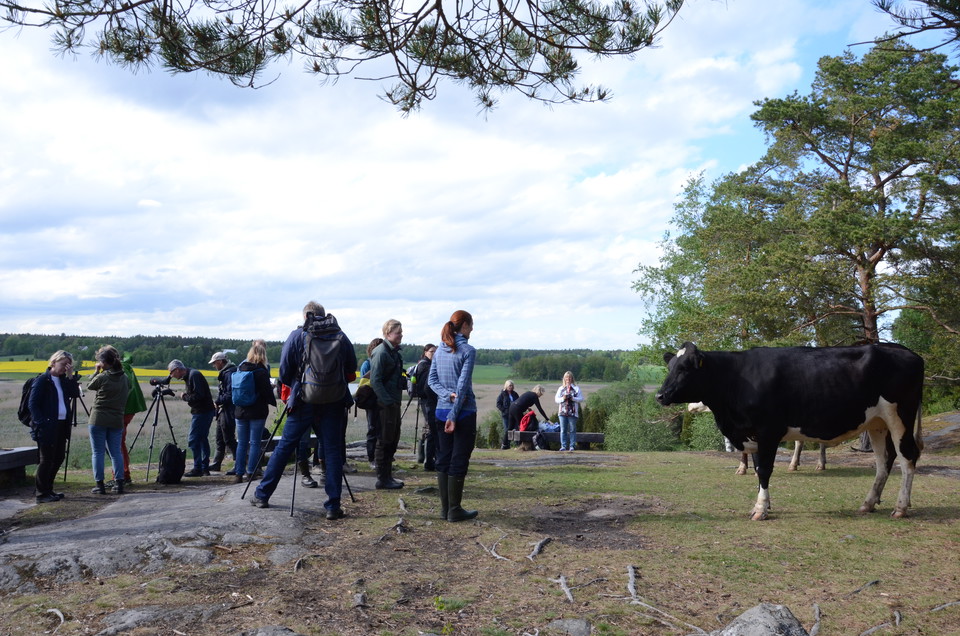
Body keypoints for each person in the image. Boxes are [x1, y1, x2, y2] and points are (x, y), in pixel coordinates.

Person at [252, 301, 357, 521]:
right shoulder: (340, 335)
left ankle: (262, 495)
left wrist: (299, 384)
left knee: (284, 447)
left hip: (302, 401)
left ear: (306, 316)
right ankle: (332, 506)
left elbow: (284, 372)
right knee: (332, 450)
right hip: (334, 401)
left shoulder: (297, 336)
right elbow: (351, 371)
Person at [426, 310, 479, 522]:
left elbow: (432, 382)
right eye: (471, 325)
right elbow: (463, 387)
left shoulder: (439, 350)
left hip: (440, 411)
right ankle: (454, 509)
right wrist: (454, 414)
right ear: (464, 325)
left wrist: (446, 396)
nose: (473, 329)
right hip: (463, 413)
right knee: (458, 459)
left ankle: (445, 509)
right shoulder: (468, 350)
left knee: (444, 458)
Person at [27, 350, 80, 503]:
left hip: (62, 424)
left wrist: (70, 377)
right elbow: (33, 404)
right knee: (47, 459)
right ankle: (41, 493)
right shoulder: (43, 380)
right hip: (47, 425)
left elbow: (75, 394)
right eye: (63, 364)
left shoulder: (64, 380)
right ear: (53, 362)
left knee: (58, 457)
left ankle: (48, 489)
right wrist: (42, 423)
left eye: (69, 365)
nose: (66, 367)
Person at [87, 345, 130, 494]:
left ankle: (100, 485)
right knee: (116, 452)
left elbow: (89, 386)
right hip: (116, 419)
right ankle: (119, 483)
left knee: (98, 452)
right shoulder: (125, 378)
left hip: (98, 418)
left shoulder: (102, 377)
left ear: (104, 363)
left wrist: (96, 371)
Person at [232, 342, 276, 483]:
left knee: (242, 443)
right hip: (257, 412)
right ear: (263, 356)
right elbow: (266, 393)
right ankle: (251, 472)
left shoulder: (240, 369)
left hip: (240, 411)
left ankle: (238, 473)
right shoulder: (261, 371)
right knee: (255, 442)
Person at [370, 319, 406, 489]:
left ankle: (387, 476)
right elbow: (375, 380)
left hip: (393, 402)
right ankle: (382, 479)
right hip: (385, 404)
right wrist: (388, 402)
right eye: (398, 332)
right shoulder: (381, 352)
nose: (401, 335)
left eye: (400, 332)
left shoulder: (393, 353)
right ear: (388, 333)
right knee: (384, 440)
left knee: (392, 439)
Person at [168, 359, 216, 477]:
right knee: (202, 438)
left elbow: (199, 395)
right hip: (205, 410)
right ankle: (204, 468)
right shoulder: (191, 375)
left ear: (177, 370)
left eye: (172, 373)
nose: (171, 376)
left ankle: (198, 468)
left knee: (193, 439)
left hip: (202, 411)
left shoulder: (194, 375)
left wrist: (184, 396)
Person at [119, 353, 146, 485]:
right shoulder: (126, 367)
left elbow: (125, 390)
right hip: (127, 410)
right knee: (119, 442)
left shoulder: (121, 369)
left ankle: (122, 475)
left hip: (122, 411)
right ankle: (122, 474)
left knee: (117, 443)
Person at [209, 351, 238, 472]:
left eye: (215, 363)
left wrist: (217, 401)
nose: (214, 366)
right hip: (224, 409)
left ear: (220, 362)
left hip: (229, 410)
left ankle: (239, 464)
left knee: (229, 439)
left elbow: (229, 394)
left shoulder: (229, 373)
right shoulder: (228, 372)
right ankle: (216, 463)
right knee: (220, 438)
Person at [359, 338, 383, 469]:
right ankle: (371, 458)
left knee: (383, 429)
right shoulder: (367, 365)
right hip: (372, 401)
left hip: (383, 400)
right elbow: (364, 386)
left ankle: (381, 457)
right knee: (373, 429)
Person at [414, 344, 439, 471]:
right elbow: (425, 388)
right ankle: (428, 461)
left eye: (436, 351)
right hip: (427, 401)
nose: (434, 353)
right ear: (425, 352)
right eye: (431, 351)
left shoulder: (423, 364)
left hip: (426, 401)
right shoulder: (425, 365)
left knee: (427, 428)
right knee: (431, 429)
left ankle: (422, 457)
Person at [555, 371, 584, 451]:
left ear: (572, 378)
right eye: (566, 377)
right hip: (562, 412)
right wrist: (563, 398)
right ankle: (563, 446)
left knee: (572, 429)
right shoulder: (561, 388)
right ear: (564, 378)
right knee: (563, 430)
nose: (568, 379)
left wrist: (573, 398)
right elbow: (556, 400)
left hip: (573, 412)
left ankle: (572, 446)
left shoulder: (576, 388)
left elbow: (581, 399)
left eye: (570, 377)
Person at [496, 380, 519, 450]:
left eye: (512, 385)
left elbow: (519, 402)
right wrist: (504, 410)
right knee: (507, 430)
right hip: (506, 416)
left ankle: (518, 445)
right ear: (506, 386)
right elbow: (498, 404)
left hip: (514, 415)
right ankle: (506, 445)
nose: (511, 387)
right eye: (509, 385)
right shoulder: (502, 394)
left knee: (516, 430)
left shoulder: (515, 394)